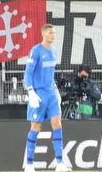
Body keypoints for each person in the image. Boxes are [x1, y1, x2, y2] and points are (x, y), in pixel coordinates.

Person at [24, 24, 69, 172]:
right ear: (43, 34)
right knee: (36, 127)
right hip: (39, 94)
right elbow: (28, 74)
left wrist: (55, 90)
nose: (53, 35)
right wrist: (30, 91)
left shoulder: (54, 52)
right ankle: (29, 164)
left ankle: (60, 163)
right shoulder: (35, 51)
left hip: (51, 94)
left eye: (54, 33)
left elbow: (50, 74)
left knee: (57, 124)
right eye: (50, 33)